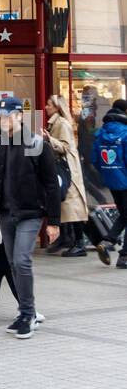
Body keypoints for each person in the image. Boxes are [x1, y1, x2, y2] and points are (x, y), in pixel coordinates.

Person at [0, 95, 60, 338]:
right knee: (12, 262)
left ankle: (27, 313)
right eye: (0, 116)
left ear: (19, 116)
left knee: (21, 260)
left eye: (8, 115)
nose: (3, 120)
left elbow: (51, 184)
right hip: (5, 214)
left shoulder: (36, 143)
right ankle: (25, 312)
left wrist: (53, 221)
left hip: (30, 214)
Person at [44, 95, 88, 257]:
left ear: (56, 107)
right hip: (62, 170)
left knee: (72, 207)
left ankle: (79, 243)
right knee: (63, 205)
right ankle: (66, 239)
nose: (46, 106)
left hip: (67, 171)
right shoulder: (55, 123)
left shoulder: (61, 124)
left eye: (49, 104)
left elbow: (67, 147)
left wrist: (50, 140)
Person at [91, 98, 127, 268]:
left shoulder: (101, 132)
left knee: (124, 214)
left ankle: (107, 242)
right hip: (125, 180)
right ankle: (124, 256)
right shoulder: (125, 132)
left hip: (111, 180)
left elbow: (94, 160)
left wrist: (109, 172)